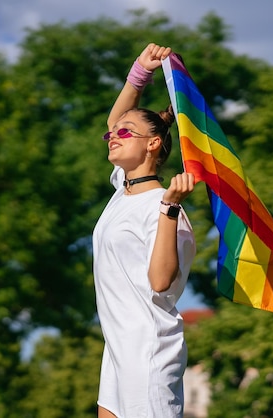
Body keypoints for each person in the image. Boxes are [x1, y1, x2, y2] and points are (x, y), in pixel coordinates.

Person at [92, 43, 197, 418]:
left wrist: (170, 207)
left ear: (153, 144)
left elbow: (160, 283)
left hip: (148, 351)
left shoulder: (162, 207)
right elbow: (114, 120)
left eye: (126, 132)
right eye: (114, 134)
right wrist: (140, 71)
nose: (114, 135)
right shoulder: (124, 189)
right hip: (117, 349)